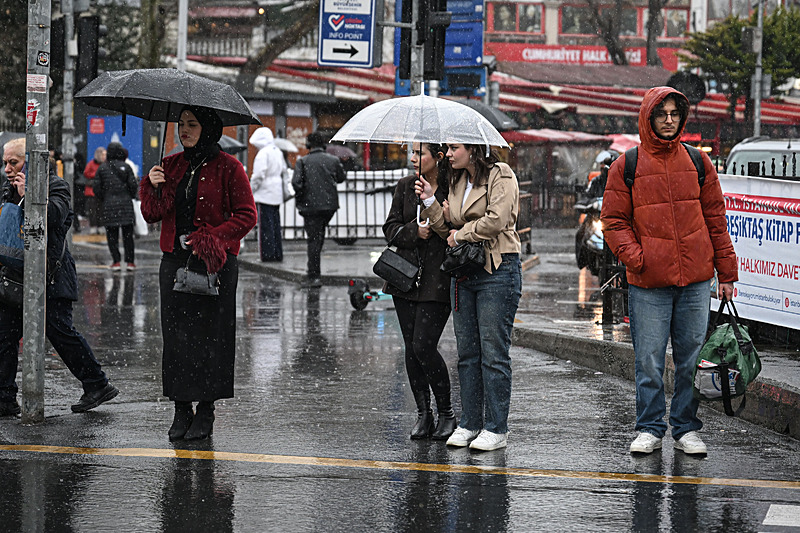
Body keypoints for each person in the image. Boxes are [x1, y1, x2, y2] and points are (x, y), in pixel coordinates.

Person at [600, 87, 737, 456]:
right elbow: (613, 222)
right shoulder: (626, 165)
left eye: (676, 113)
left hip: (694, 280)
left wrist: (726, 272)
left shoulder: (697, 161)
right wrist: (637, 258)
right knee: (648, 358)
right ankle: (649, 427)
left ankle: (685, 428)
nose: (670, 120)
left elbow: (715, 219)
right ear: (649, 117)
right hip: (648, 283)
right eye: (662, 114)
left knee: (691, 357)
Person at [142, 106, 256, 441]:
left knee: (212, 339)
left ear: (208, 129)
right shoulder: (171, 165)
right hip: (174, 263)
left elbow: (247, 216)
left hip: (214, 265)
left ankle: (206, 410)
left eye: (192, 125)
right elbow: (152, 215)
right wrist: (152, 186)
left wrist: (212, 237)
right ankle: (181, 408)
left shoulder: (229, 168)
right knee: (177, 340)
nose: (184, 131)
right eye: (180, 125)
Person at [0, 138, 119, 416]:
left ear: (30, 161)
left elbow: (55, 218)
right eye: (5, 162)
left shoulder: (56, 185)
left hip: (50, 276)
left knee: (61, 332)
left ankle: (97, 384)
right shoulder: (7, 187)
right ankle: (4, 398)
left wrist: (30, 194)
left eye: (13, 162)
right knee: (5, 335)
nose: (7, 168)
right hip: (15, 275)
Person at [415, 143, 522, 451]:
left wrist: (460, 233)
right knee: (468, 353)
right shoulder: (457, 179)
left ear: (474, 149)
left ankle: (496, 427)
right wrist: (430, 201)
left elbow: (495, 220)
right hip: (465, 270)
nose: (447, 154)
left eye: (453, 148)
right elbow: (444, 228)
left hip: (497, 269)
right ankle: (470, 422)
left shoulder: (501, 175)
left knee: (493, 353)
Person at [383, 143, 455, 440]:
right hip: (405, 278)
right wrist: (415, 230)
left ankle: (447, 412)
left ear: (438, 157)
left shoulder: (453, 187)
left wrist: (436, 218)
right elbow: (390, 229)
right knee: (411, 348)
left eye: (419, 153)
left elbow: (456, 225)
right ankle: (423, 414)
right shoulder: (404, 187)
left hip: (437, 279)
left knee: (424, 346)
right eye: (412, 152)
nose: (413, 158)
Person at [291, 131, 346, 288]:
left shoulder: (303, 161)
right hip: (329, 206)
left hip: (310, 207)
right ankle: (314, 273)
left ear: (309, 145)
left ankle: (314, 276)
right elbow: (341, 178)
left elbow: (296, 183)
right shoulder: (333, 160)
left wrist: (302, 196)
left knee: (314, 239)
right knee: (318, 237)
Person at [96, 142, 139, 271]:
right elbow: (133, 185)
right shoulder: (126, 167)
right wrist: (129, 195)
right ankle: (130, 262)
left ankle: (116, 262)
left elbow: (96, 188)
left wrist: (105, 198)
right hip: (126, 205)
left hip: (109, 206)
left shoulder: (102, 168)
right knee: (128, 235)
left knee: (112, 235)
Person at [249, 127, 288, 262]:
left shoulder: (263, 153)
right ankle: (277, 253)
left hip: (265, 193)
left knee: (265, 227)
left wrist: (251, 190)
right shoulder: (277, 151)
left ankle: (268, 255)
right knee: (275, 225)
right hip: (276, 193)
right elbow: (284, 171)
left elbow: (259, 175)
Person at [83, 146, 106, 234]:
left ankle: (99, 225)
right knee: (93, 210)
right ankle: (94, 226)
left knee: (100, 210)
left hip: (98, 191)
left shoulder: (103, 164)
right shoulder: (92, 164)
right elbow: (86, 173)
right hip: (91, 192)